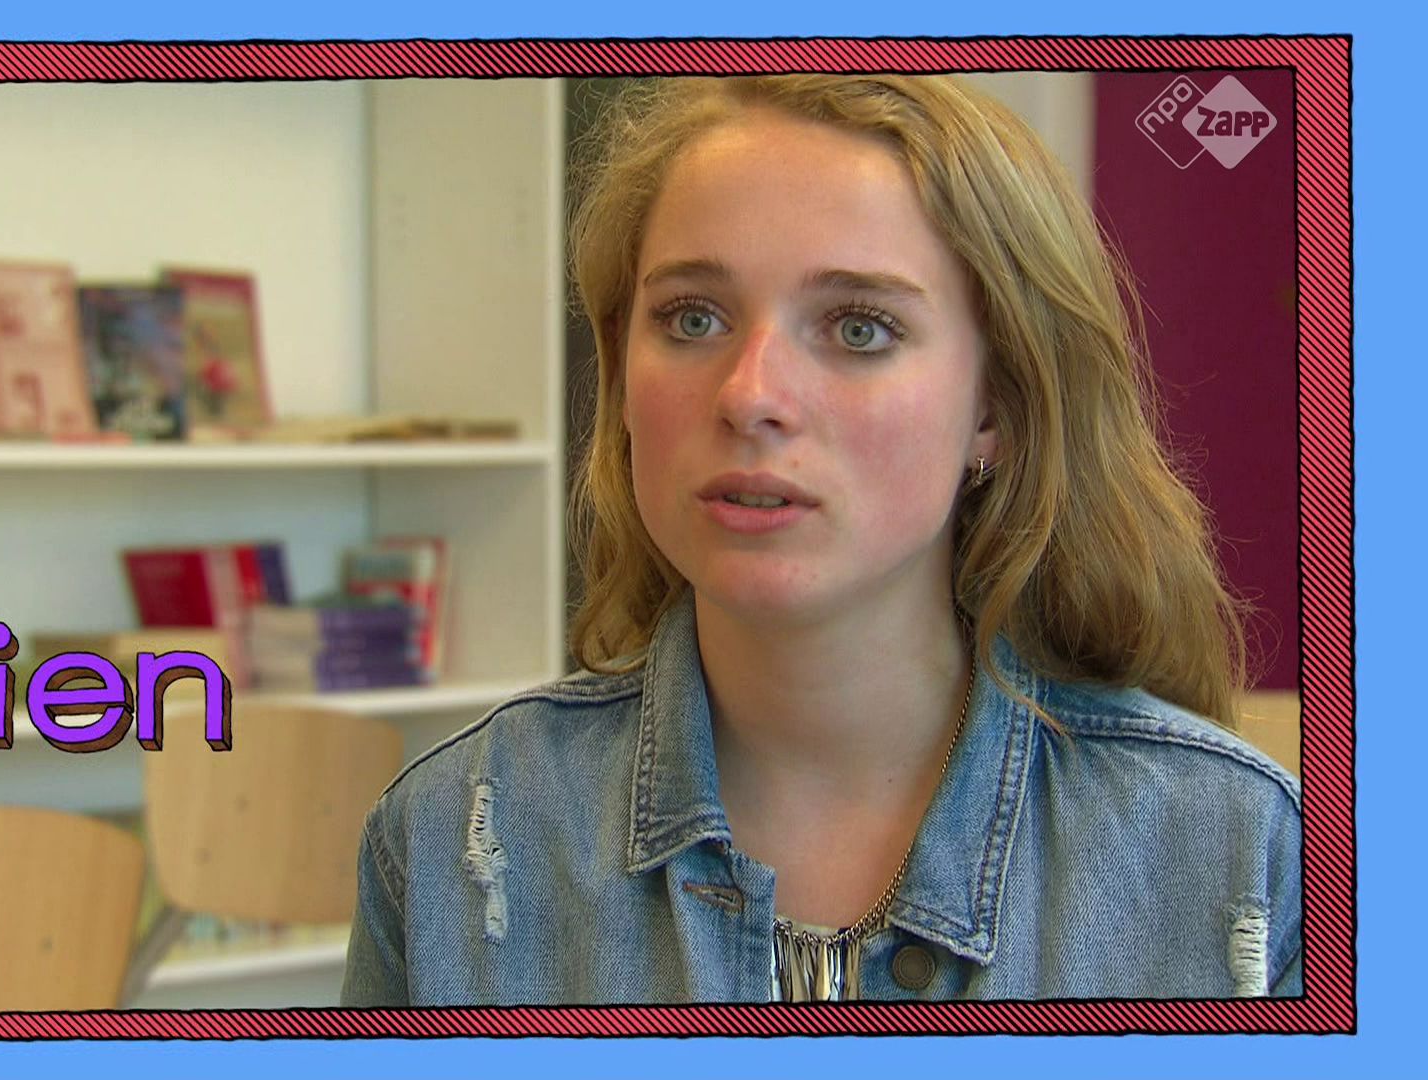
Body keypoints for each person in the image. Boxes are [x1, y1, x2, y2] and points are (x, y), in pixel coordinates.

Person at [340, 75, 1301, 1004]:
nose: (750, 394)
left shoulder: (1237, 855)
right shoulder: (454, 839)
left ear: (995, 407)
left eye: (860, 329)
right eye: (692, 317)